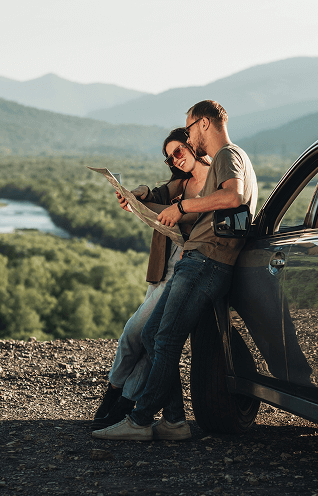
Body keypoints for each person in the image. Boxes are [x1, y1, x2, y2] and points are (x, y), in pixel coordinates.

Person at [93, 100, 257, 441]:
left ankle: (139, 421)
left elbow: (234, 196)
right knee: (155, 336)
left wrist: (182, 208)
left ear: (205, 124)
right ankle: (174, 421)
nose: (190, 134)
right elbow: (161, 192)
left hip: (205, 260)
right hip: (200, 261)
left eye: (191, 127)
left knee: (161, 337)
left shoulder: (227, 154)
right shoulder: (224, 162)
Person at [91, 128, 210, 430]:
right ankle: (119, 400)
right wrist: (136, 195)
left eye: (179, 151)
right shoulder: (181, 180)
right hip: (163, 268)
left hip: (186, 268)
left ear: (193, 145)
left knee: (138, 333)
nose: (176, 159)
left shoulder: (215, 180)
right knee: (145, 339)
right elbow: (156, 196)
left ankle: (120, 397)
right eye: (170, 157)